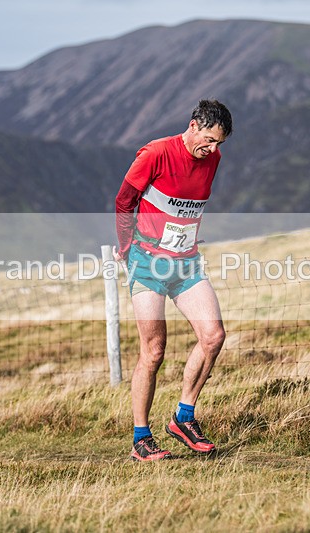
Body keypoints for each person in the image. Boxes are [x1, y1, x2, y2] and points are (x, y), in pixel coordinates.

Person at [113, 99, 233, 461]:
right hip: (148, 264)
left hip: (186, 264)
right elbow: (124, 201)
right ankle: (141, 438)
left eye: (219, 144)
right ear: (193, 125)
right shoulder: (156, 153)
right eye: (209, 140)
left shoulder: (212, 159)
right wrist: (126, 247)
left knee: (213, 337)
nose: (212, 149)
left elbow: (186, 205)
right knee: (153, 351)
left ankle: (183, 417)